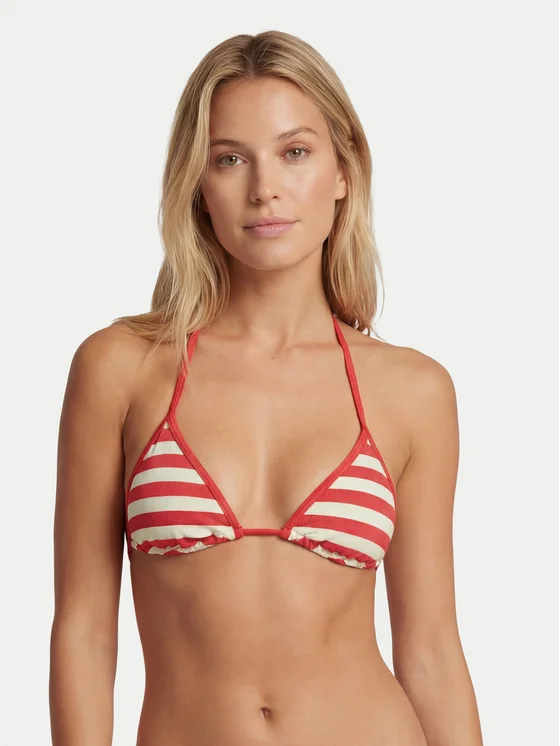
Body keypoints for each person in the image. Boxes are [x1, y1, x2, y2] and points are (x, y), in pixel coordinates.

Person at [49, 30, 484, 746]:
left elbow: (432, 651)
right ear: (198, 184)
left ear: (344, 170)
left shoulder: (413, 390)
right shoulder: (121, 368)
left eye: (295, 152)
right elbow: (84, 631)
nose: (264, 189)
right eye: (229, 159)